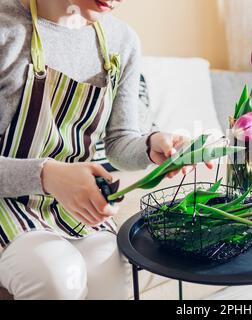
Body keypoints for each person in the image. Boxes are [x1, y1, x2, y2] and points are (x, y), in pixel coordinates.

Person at [0, 0, 211, 299]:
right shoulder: (6, 27)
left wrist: (152, 146)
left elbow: (120, 142)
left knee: (114, 272)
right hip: (5, 203)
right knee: (57, 277)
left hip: (79, 207)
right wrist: (48, 175)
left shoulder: (120, 40)